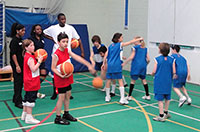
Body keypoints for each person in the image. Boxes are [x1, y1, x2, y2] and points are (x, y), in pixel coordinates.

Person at [51, 32, 96, 125]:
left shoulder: (67, 50)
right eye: (63, 41)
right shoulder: (56, 54)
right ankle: (57, 117)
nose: (65, 43)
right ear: (58, 42)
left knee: (68, 95)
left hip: (68, 76)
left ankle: (66, 113)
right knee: (61, 98)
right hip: (60, 78)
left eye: (67, 41)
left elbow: (77, 57)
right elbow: (53, 68)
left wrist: (88, 65)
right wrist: (60, 75)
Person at [44, 13, 84, 100]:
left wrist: (82, 51)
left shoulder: (70, 28)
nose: (64, 21)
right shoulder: (53, 28)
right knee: (56, 74)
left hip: (67, 53)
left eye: (64, 19)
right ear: (58, 20)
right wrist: (53, 39)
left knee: (67, 71)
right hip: (57, 53)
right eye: (62, 19)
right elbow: (44, 33)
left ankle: (68, 91)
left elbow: (78, 38)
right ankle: (55, 92)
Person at [102, 33, 143, 104]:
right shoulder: (119, 45)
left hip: (110, 64)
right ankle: (122, 98)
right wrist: (139, 39)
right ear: (118, 39)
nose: (122, 38)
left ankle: (107, 97)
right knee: (120, 81)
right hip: (117, 65)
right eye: (121, 37)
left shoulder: (110, 46)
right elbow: (130, 42)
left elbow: (106, 55)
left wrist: (103, 63)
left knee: (108, 80)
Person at [152, 43, 176, 122]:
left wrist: (152, 73)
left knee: (160, 99)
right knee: (167, 97)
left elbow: (154, 71)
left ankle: (161, 115)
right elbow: (174, 71)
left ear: (160, 50)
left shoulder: (157, 59)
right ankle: (166, 112)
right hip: (168, 81)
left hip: (159, 81)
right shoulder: (172, 59)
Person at [21, 39, 43, 124]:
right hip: (31, 81)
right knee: (31, 99)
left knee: (27, 97)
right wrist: (39, 62)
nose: (33, 47)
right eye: (30, 45)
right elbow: (33, 69)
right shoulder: (29, 58)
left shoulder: (28, 55)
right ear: (26, 48)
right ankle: (29, 118)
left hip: (28, 80)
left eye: (33, 45)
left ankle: (24, 114)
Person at [122, 37, 150, 101]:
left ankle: (129, 96)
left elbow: (132, 57)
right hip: (143, 65)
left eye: (135, 40)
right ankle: (147, 95)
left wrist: (125, 63)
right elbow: (148, 59)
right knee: (143, 79)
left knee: (133, 81)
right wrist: (145, 64)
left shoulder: (134, 48)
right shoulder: (145, 48)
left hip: (136, 66)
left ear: (138, 41)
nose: (133, 41)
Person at [9, 23, 25, 109]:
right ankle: (18, 101)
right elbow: (13, 54)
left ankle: (16, 98)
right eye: (22, 30)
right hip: (17, 64)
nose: (23, 32)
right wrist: (17, 66)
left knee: (20, 82)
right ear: (17, 31)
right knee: (18, 82)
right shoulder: (14, 41)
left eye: (24, 30)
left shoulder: (20, 40)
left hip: (21, 63)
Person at [29, 24, 47, 99]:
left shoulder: (42, 38)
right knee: (35, 76)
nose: (39, 30)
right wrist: (36, 54)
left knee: (43, 74)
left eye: (40, 29)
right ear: (34, 30)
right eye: (37, 29)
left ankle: (34, 89)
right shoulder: (31, 39)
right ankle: (34, 92)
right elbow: (28, 49)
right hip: (34, 60)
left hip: (41, 59)